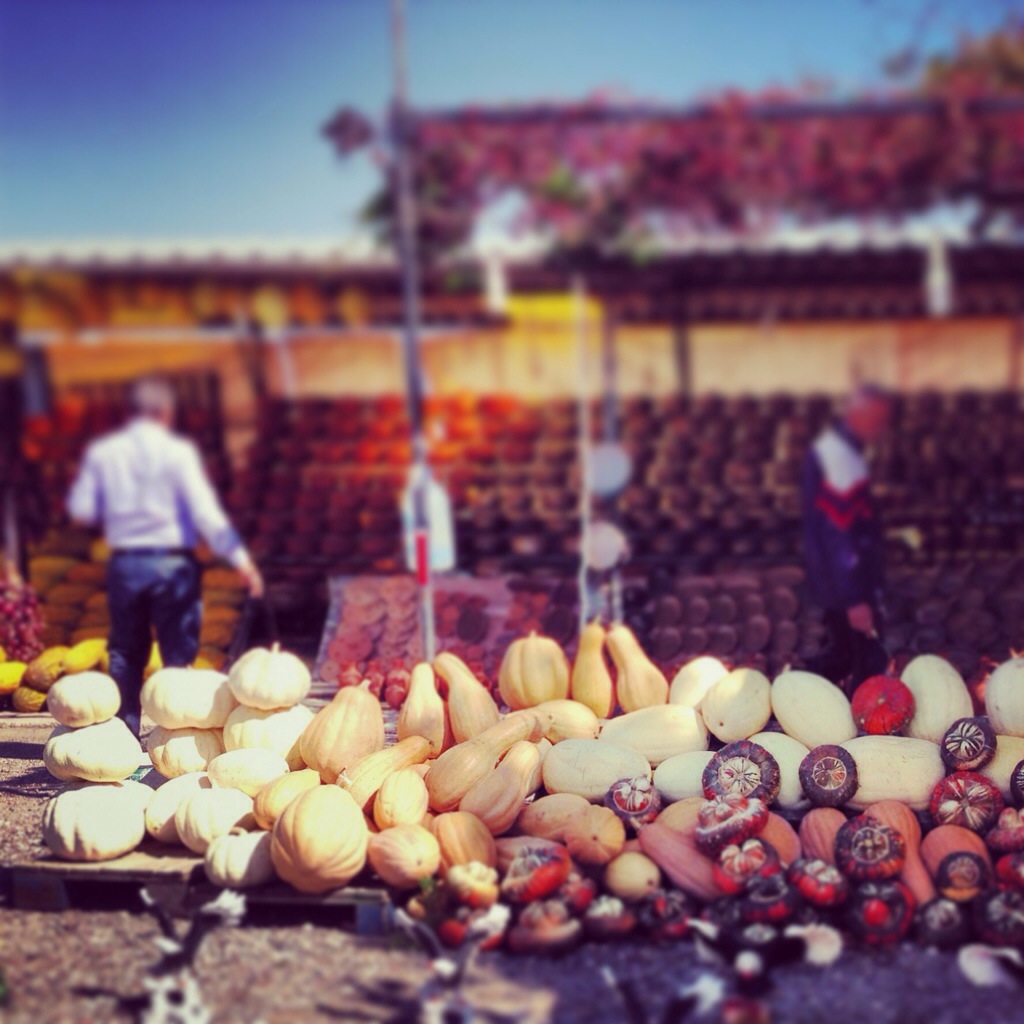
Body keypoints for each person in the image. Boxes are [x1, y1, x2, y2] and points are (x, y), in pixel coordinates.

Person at [68, 376, 263, 736]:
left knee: (125, 650)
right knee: (177, 651)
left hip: (126, 563)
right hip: (173, 564)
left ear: (131, 411)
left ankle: (124, 733)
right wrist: (240, 558)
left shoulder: (103, 453)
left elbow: (81, 510)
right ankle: (174, 735)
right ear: (164, 412)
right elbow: (205, 512)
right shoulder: (177, 453)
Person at [801, 384, 891, 693]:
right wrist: (855, 600)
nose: (880, 428)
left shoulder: (837, 449)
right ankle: (804, 688)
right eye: (877, 420)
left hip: (836, 579)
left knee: (844, 652)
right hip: (844, 583)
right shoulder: (839, 458)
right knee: (861, 660)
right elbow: (839, 536)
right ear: (855, 414)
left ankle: (801, 686)